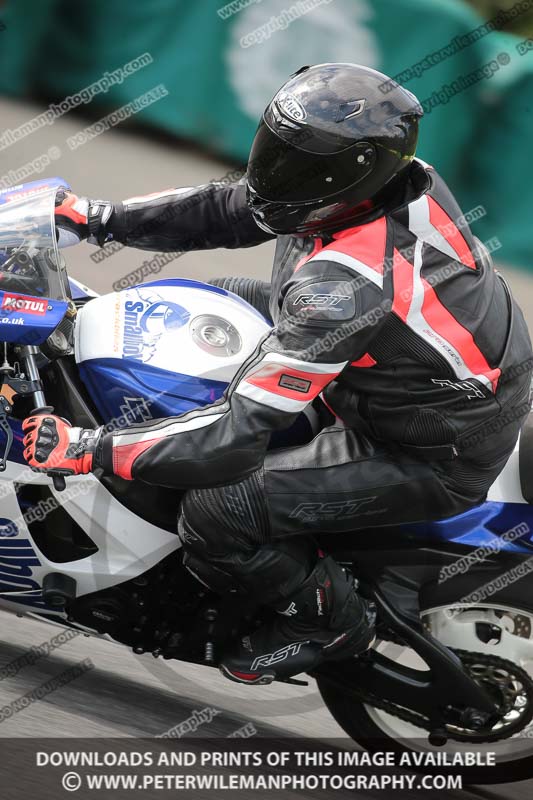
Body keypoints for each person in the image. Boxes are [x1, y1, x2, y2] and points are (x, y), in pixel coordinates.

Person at [22, 63, 532, 685]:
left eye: (296, 165)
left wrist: (88, 447)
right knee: (211, 300)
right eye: (275, 152)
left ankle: (326, 622)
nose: (271, 173)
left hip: (426, 449)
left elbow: (232, 438)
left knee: (220, 508)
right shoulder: (387, 182)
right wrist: (97, 216)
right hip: (409, 376)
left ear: (347, 175)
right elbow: (233, 207)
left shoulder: (341, 290)